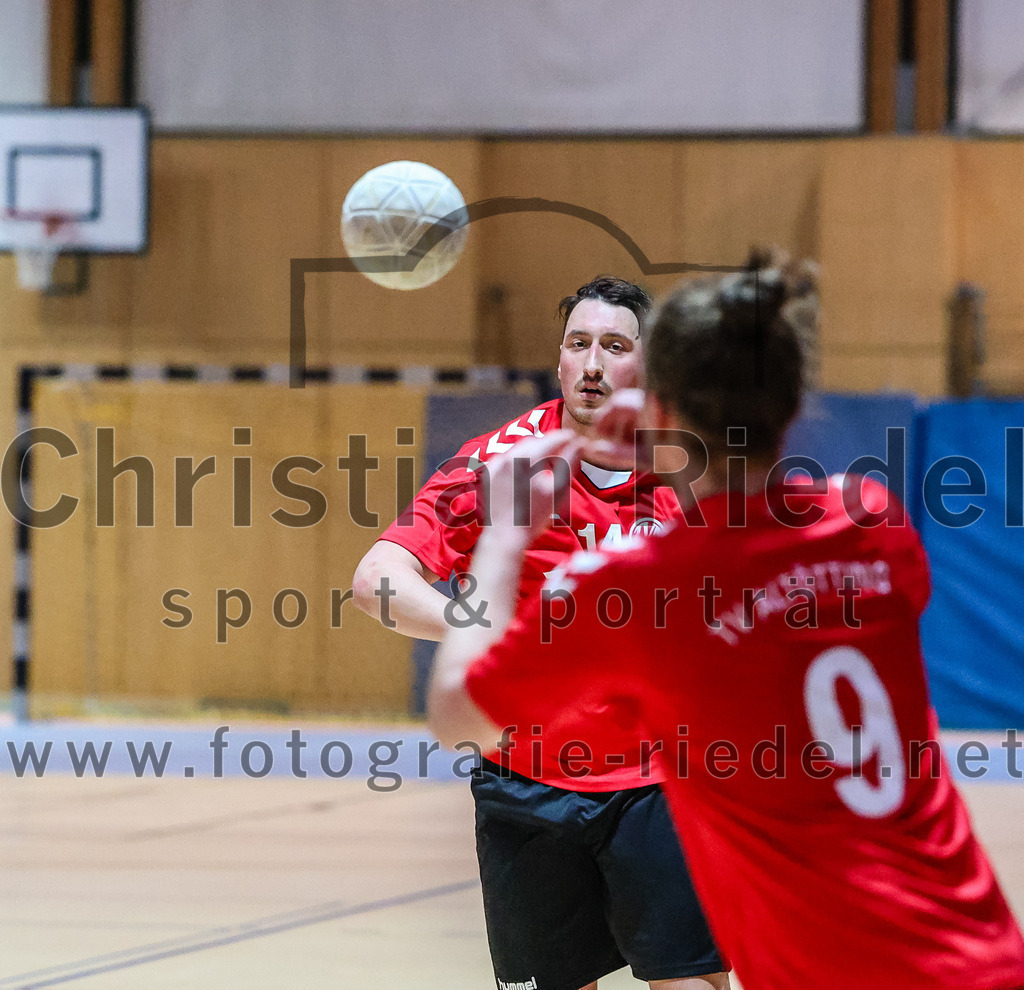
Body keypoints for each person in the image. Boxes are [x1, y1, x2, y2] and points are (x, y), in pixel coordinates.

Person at [427, 254, 1024, 990]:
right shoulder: (873, 520)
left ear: (658, 405)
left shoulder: (635, 586)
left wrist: (507, 535)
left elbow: (458, 714)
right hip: (979, 956)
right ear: (793, 403)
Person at [353, 275, 730, 990]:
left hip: (660, 783)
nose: (592, 363)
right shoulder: (502, 462)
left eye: (614, 346)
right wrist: (473, 629)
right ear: (558, 361)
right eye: (577, 344)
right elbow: (376, 579)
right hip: (523, 783)